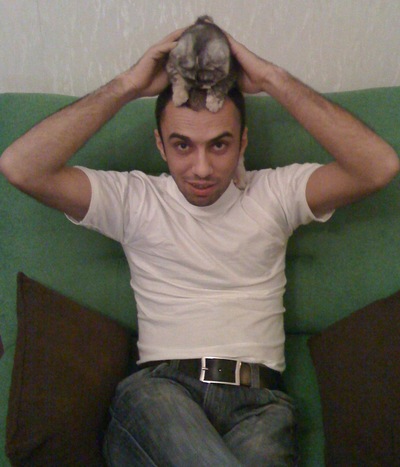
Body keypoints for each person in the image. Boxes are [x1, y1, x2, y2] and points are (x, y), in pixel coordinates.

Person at [1, 26, 399, 466]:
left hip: (260, 408)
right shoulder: (135, 200)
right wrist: (127, 85)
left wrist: (271, 78)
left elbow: (378, 166)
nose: (202, 168)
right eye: (182, 146)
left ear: (243, 141)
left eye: (220, 145)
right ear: (160, 144)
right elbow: (21, 167)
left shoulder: (275, 194)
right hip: (160, 395)